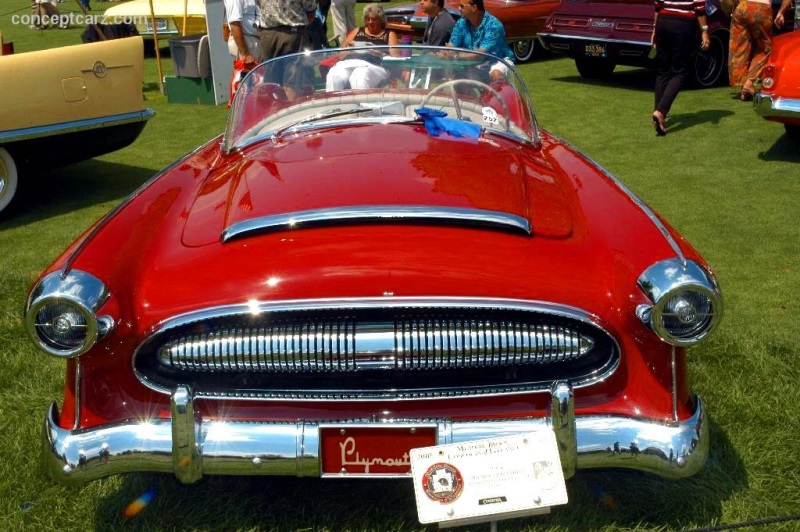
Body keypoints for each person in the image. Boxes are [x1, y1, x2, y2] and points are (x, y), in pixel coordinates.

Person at [651, 0, 710, 136]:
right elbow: (699, 6)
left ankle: (658, 114)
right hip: (682, 24)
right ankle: (660, 112)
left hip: (663, 21)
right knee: (680, 72)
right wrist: (705, 31)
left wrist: (654, 28)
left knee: (663, 71)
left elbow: (658, 4)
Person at [728, 0, 793, 101]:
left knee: (740, 48)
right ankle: (748, 83)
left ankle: (743, 87)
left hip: (741, 8)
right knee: (766, 49)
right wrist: (781, 12)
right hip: (760, 8)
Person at [325, 4, 399, 91]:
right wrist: (350, 50)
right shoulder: (357, 31)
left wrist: (380, 53)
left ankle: (362, 103)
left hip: (375, 66)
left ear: (380, 20)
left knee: (359, 74)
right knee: (334, 74)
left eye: (374, 19)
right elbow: (340, 54)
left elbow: (396, 59)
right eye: (368, 19)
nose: (370, 22)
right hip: (350, 62)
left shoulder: (389, 34)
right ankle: (334, 103)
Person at [258, 0, 318, 99]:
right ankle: (292, 110)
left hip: (268, 35)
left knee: (272, 81)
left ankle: (277, 110)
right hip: (293, 33)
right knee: (293, 80)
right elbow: (311, 9)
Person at [443, 0, 514, 79]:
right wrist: (447, 51)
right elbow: (452, 44)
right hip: (474, 63)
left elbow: (480, 55)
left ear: (474, 7)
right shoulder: (461, 23)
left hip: (498, 60)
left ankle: (501, 90)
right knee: (457, 77)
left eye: (462, 6)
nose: (459, 8)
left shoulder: (494, 25)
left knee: (496, 74)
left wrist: (455, 56)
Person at [224, 0, 262, 65]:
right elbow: (234, 24)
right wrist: (245, 54)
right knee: (248, 73)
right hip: (248, 41)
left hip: (259, 40)